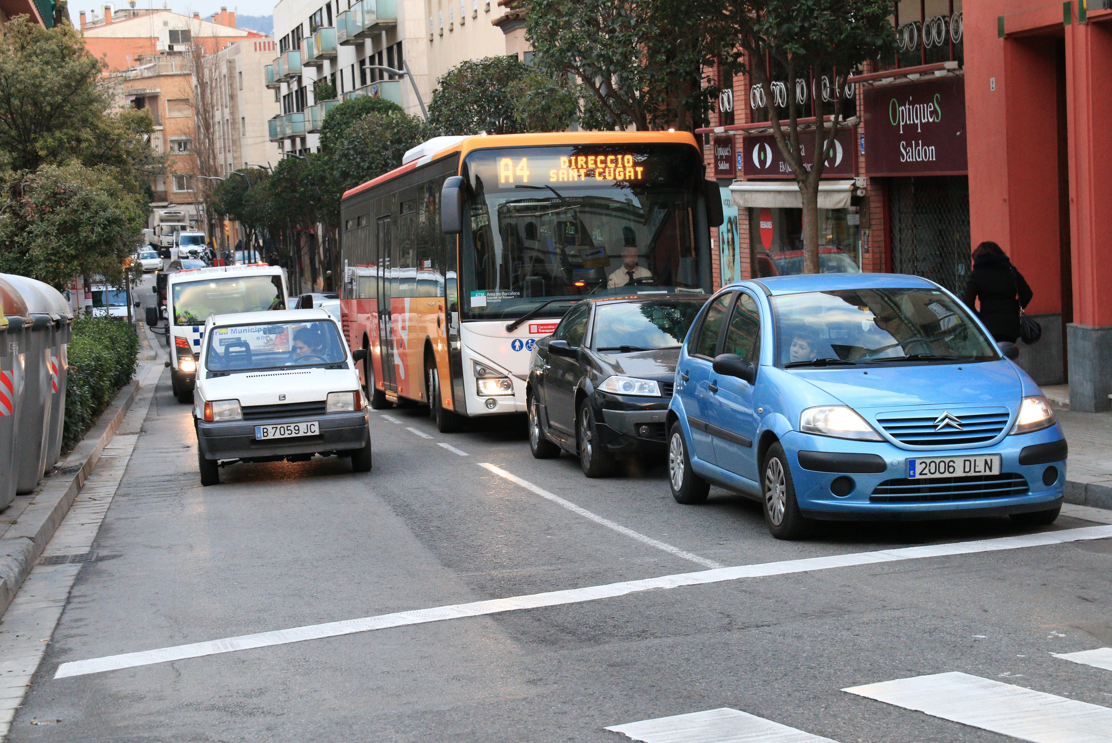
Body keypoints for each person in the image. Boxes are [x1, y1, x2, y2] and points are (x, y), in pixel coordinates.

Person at [962, 241, 1033, 343]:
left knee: (994, 357)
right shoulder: (1010, 270)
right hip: (1010, 324)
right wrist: (1014, 308)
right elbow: (1027, 294)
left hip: (988, 325)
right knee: (1008, 353)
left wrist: (980, 318)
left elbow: (968, 302)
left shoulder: (977, 274)